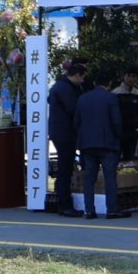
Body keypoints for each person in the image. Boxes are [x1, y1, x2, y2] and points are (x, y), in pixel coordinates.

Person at [74, 68, 129, 219]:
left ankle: (89, 210)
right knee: (110, 177)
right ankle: (112, 209)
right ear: (110, 83)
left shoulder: (82, 99)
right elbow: (116, 121)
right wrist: (119, 137)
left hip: (87, 144)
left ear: (93, 83)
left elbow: (76, 122)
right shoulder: (111, 98)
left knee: (89, 178)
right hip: (108, 143)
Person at [48, 62, 87, 217]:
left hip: (60, 132)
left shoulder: (60, 86)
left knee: (65, 167)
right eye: (82, 77)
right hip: (64, 133)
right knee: (65, 168)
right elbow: (73, 108)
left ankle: (61, 201)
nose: (83, 81)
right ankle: (65, 205)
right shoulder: (65, 89)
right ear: (76, 75)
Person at [112, 66, 138, 160]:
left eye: (134, 76)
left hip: (133, 132)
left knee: (130, 157)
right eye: (129, 76)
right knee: (115, 157)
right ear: (124, 76)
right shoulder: (115, 93)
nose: (131, 79)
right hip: (119, 132)